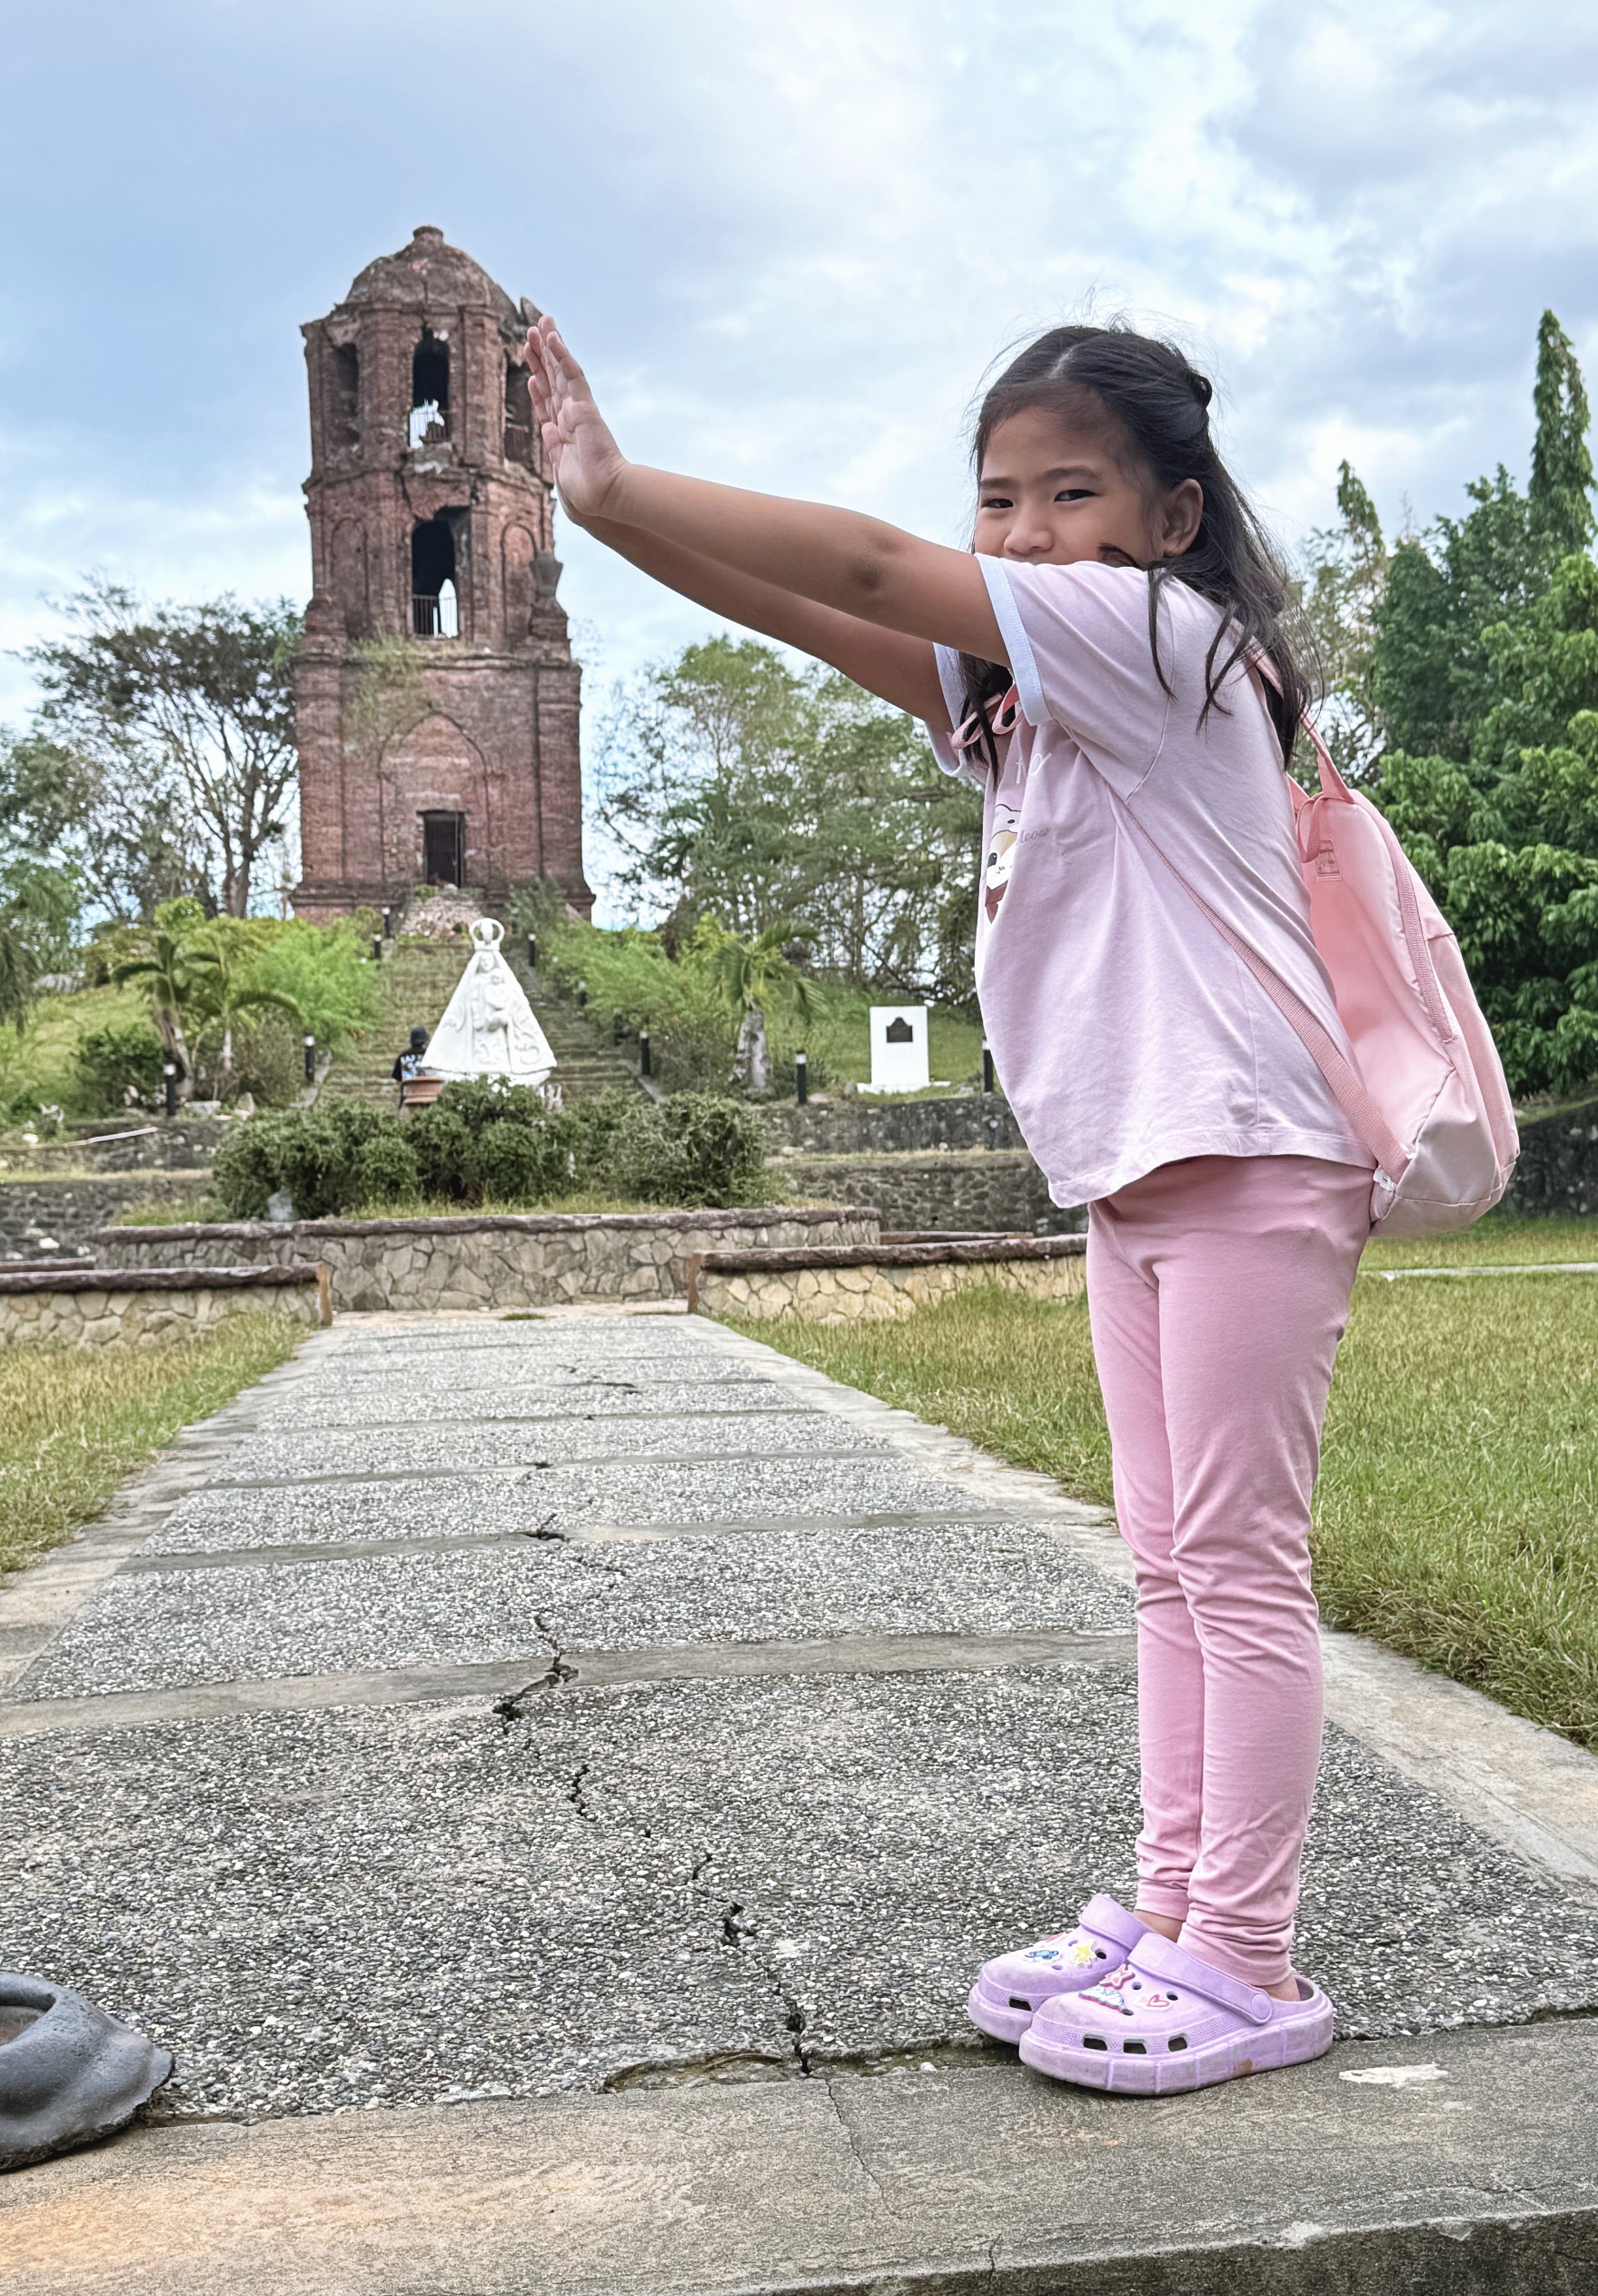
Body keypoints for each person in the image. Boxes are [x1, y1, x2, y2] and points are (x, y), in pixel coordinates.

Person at [526, 315, 1378, 2097]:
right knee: (1166, 1568)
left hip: (1250, 1159)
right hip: (1139, 1180)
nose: (1025, 530)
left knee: (1238, 1569)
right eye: (996, 499)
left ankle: (1249, 1955)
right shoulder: (1023, 707)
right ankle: (1167, 1910)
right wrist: (602, 525)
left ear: (1173, 517)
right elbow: (815, 612)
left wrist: (619, 473)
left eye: (1073, 491)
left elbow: (856, 555)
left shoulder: (1165, 639)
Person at [391, 1028, 430, 1108]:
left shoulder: (403, 1056)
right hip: (428, 1095)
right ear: (424, 1041)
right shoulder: (429, 1055)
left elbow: (398, 1080)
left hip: (408, 1097)